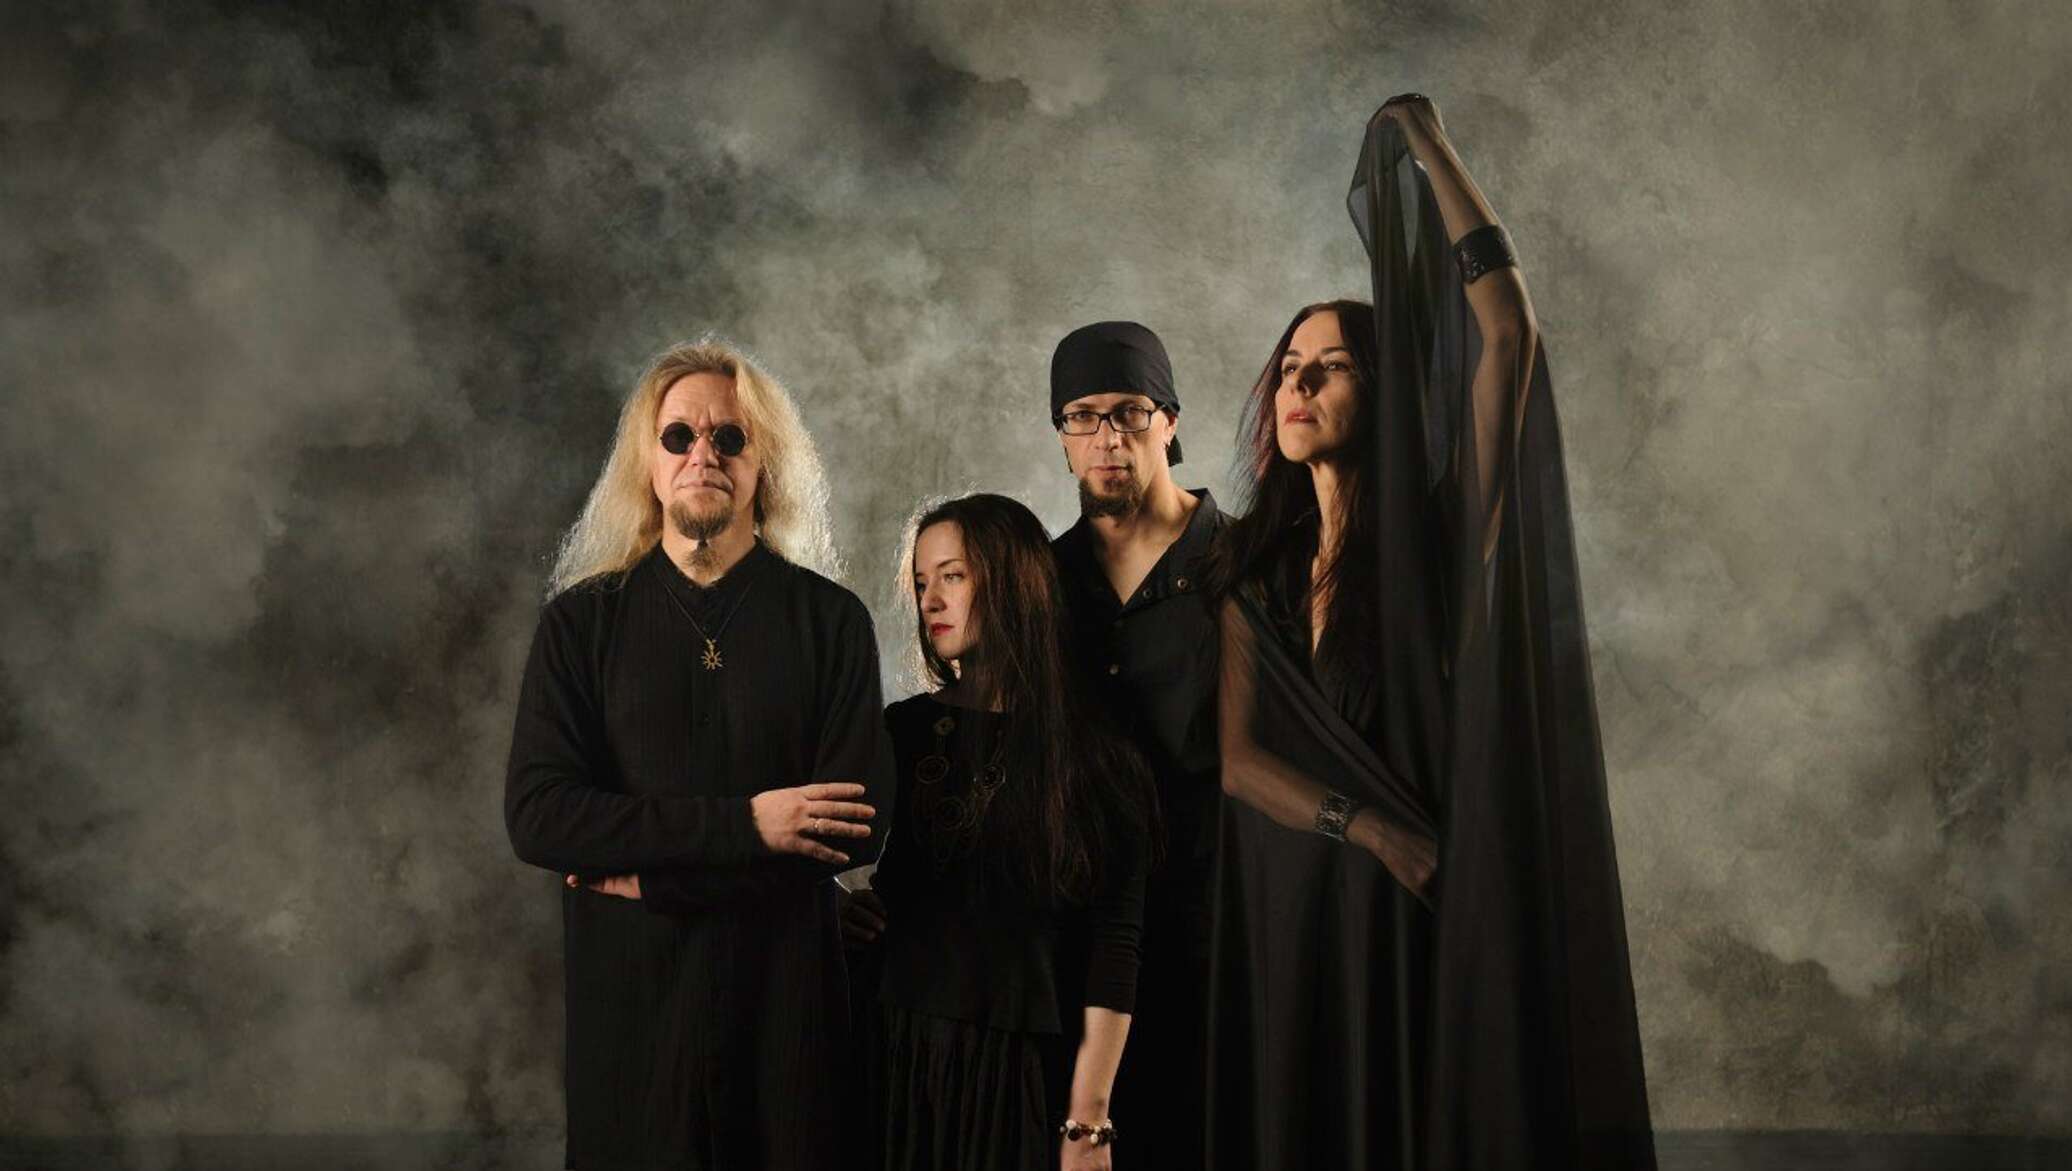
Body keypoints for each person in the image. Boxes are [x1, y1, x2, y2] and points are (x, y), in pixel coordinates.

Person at [1206, 97, 1657, 1169]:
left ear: (1387, 388)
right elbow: (1236, 757)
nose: (1298, 383)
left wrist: (1431, 145)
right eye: (1289, 366)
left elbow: (1508, 333)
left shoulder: (1444, 538)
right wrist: (1372, 831)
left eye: (1330, 365)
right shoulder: (1255, 575)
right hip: (1306, 914)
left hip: (1426, 918)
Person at [504, 336, 894, 1170]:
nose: (703, 455)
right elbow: (540, 817)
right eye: (679, 435)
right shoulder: (580, 624)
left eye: (730, 437)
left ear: (764, 463)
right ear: (647, 462)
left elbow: (856, 827)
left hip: (787, 1026)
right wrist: (750, 825)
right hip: (633, 1031)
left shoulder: (832, 622)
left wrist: (654, 881)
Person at [841, 493, 1153, 1171]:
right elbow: (806, 835)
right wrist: (835, 907)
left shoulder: (1097, 752)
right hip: (890, 1049)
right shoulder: (903, 729)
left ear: (1013, 580)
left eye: (952, 576)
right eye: (921, 582)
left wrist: (1088, 1122)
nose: (930, 600)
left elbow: (1116, 942)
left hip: (1020, 1070)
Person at [1047, 321, 1227, 1169]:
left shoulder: (1240, 562)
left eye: (1129, 411)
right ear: (1062, 437)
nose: (1107, 437)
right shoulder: (1041, 581)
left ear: (1169, 421)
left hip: (1219, 923)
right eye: (1083, 416)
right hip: (1079, 936)